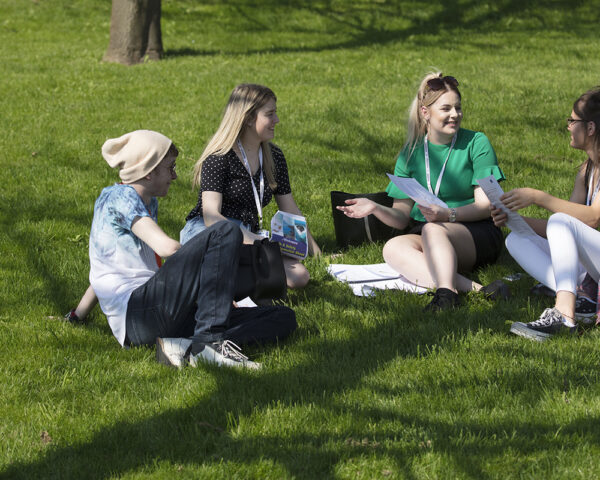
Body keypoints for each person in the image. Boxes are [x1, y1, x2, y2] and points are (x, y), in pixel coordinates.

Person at [80, 129, 296, 368]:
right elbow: (167, 248)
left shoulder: (145, 202)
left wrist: (76, 315)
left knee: (282, 317)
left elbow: (102, 265)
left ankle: (185, 346)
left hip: (156, 313)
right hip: (139, 316)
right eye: (170, 167)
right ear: (149, 171)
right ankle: (209, 343)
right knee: (225, 231)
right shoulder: (119, 197)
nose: (174, 176)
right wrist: (212, 280)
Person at [337, 72, 508, 311]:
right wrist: (374, 207)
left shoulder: (476, 142)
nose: (454, 115)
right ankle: (477, 290)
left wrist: (447, 215)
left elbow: (485, 207)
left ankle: (446, 296)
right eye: (446, 109)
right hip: (428, 232)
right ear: (425, 113)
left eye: (457, 108)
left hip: (474, 230)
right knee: (393, 247)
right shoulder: (410, 153)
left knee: (432, 230)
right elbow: (401, 218)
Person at [181, 83, 321, 288]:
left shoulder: (275, 157)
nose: (277, 120)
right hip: (212, 233)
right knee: (232, 266)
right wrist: (257, 242)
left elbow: (289, 209)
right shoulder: (219, 157)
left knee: (299, 276)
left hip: (250, 236)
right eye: (269, 114)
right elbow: (211, 216)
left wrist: (317, 254)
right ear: (247, 118)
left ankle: (233, 280)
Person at [492, 87, 600, 340]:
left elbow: (594, 218)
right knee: (516, 239)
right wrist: (514, 220)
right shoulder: (587, 170)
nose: (568, 126)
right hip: (594, 264)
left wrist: (539, 198)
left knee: (559, 220)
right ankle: (580, 300)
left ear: (591, 128)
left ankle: (564, 313)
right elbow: (567, 227)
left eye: (572, 121)